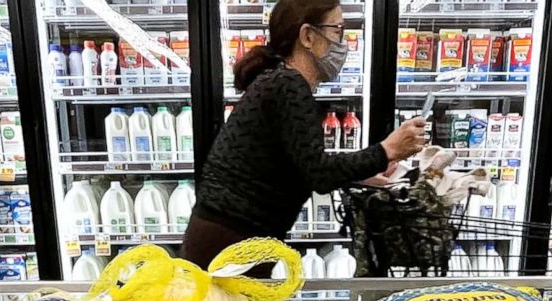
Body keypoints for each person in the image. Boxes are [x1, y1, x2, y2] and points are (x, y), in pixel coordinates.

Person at [182, 0, 427, 268]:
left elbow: (298, 164)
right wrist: (387, 150)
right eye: (338, 31)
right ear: (308, 36)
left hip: (229, 234)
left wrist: (364, 172)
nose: (342, 44)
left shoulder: (279, 81)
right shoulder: (289, 85)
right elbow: (319, 173)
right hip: (230, 237)